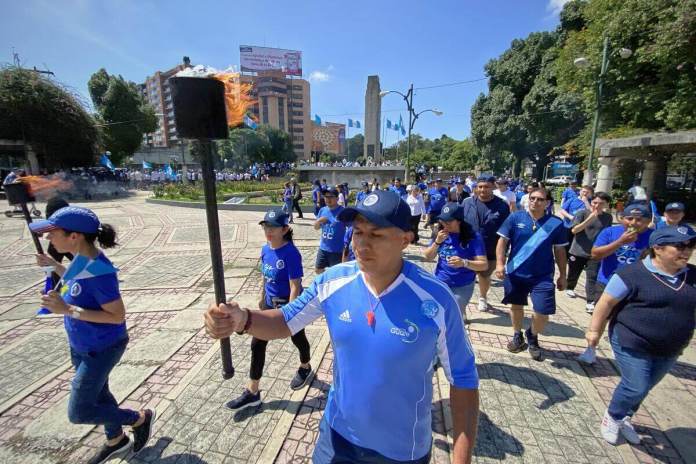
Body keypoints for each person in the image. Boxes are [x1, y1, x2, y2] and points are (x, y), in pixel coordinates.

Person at [204, 190, 480, 464]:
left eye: (376, 234)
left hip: (401, 450)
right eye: (358, 232)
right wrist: (243, 319)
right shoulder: (333, 281)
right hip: (336, 438)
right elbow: (285, 321)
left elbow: (464, 380)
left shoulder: (437, 300)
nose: (362, 243)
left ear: (405, 239)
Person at [30, 206, 155, 464]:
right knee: (100, 395)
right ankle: (116, 440)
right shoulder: (80, 258)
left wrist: (67, 309)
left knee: (79, 411)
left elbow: (117, 316)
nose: (47, 239)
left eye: (52, 233)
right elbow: (77, 281)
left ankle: (138, 418)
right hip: (81, 345)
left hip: (102, 348)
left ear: (74, 236)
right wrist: (56, 266)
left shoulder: (101, 272)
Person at [586, 226, 696, 445]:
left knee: (645, 386)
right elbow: (606, 302)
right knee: (636, 385)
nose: (687, 251)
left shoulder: (692, 275)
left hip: (671, 346)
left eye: (691, 246)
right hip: (631, 339)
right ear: (658, 248)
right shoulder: (632, 274)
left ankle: (626, 416)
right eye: (680, 246)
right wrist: (593, 330)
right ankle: (613, 416)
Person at [226, 209, 313, 410]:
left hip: (287, 305)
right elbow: (264, 276)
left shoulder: (291, 253)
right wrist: (260, 296)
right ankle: (253, 391)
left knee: (298, 339)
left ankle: (305, 367)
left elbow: (295, 286)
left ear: (285, 229)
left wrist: (290, 313)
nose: (269, 231)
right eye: (266, 226)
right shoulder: (265, 249)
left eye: (273, 227)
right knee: (257, 344)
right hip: (267, 303)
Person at [496, 188, 568, 361]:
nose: (535, 202)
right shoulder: (515, 218)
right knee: (516, 306)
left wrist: (563, 275)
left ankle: (532, 334)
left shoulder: (555, 223)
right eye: (533, 198)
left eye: (540, 199)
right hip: (516, 272)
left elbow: (560, 251)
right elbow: (502, 242)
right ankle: (517, 334)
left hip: (542, 276)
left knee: (542, 312)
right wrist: (499, 264)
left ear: (548, 203)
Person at [424, 203, 488, 323]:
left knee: (453, 315)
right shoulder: (440, 232)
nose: (445, 224)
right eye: (443, 220)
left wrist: (464, 262)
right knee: (436, 313)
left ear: (459, 221)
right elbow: (428, 257)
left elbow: (484, 265)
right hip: (441, 280)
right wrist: (437, 242)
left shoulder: (472, 236)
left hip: (462, 285)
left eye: (449, 221)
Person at [462, 176, 510, 312]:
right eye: (480, 186)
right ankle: (461, 307)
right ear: (476, 187)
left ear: (493, 187)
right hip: (468, 247)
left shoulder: (502, 205)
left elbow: (506, 231)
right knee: (466, 277)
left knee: (484, 275)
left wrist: (504, 253)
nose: (483, 189)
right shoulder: (467, 202)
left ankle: (482, 298)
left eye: (487, 186)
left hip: (490, 247)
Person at [591, 204, 653, 300]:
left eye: (639, 220)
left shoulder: (654, 236)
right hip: (607, 282)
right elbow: (595, 255)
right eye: (629, 218)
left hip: (636, 286)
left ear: (648, 222)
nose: (633, 223)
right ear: (622, 218)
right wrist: (620, 242)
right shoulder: (610, 232)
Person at [566, 192, 613, 313]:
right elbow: (574, 230)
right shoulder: (582, 213)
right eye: (594, 202)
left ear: (606, 204)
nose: (597, 205)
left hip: (595, 252)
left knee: (592, 277)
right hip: (578, 250)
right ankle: (570, 286)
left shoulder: (608, 217)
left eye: (601, 203)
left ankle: (591, 301)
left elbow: (608, 233)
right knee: (574, 272)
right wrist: (590, 218)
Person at [314, 188, 347, 274]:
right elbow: (316, 228)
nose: (328, 199)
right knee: (318, 270)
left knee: (336, 273)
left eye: (331, 197)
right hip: (323, 248)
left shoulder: (343, 212)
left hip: (337, 250)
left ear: (337, 198)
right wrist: (318, 221)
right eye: (326, 197)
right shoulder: (322, 210)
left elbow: (351, 228)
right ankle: (326, 280)